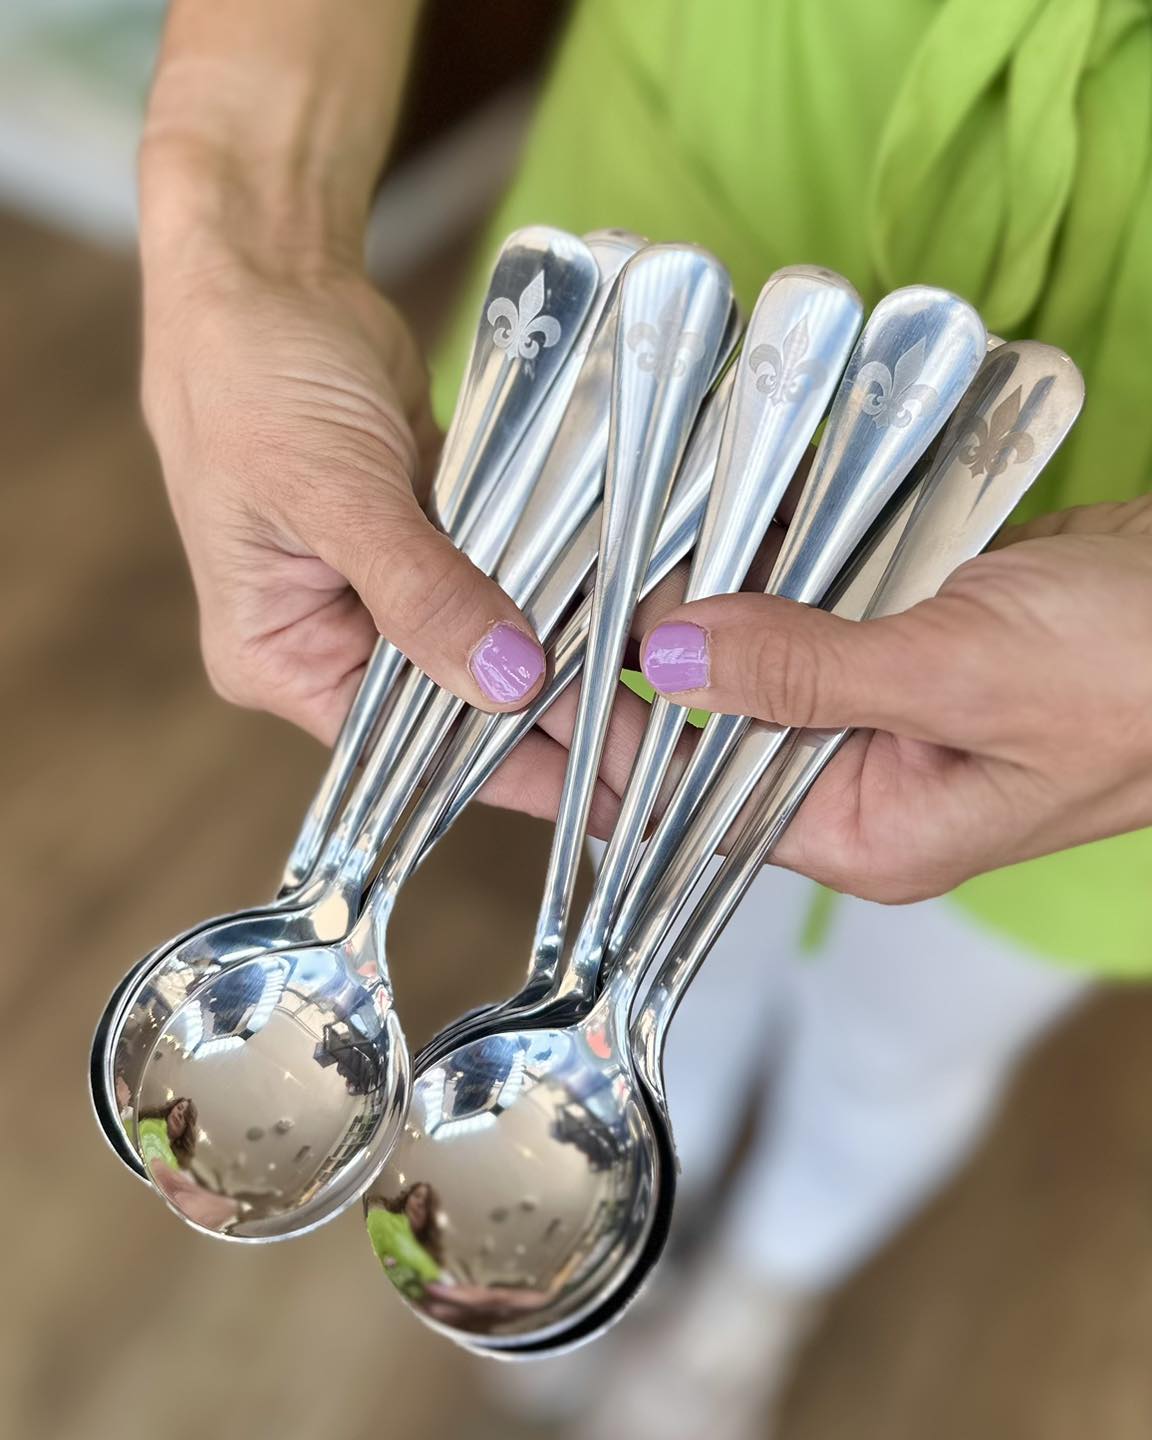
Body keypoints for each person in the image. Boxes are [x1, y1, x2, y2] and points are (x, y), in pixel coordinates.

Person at [138, 2, 1152, 1436]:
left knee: (912, 1044)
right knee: (662, 919)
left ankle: (767, 1283)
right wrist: (240, 225)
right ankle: (629, 1148)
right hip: (642, 326)